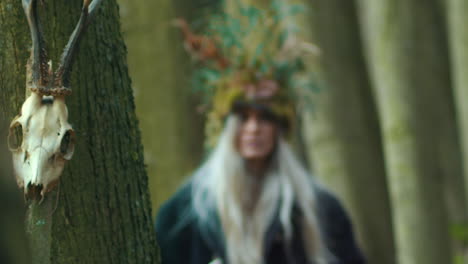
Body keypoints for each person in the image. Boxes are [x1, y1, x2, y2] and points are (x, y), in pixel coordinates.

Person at [156, 2, 366, 263]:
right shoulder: (187, 211)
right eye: (243, 117)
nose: (253, 128)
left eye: (265, 118)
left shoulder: (318, 208)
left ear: (280, 128)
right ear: (227, 125)